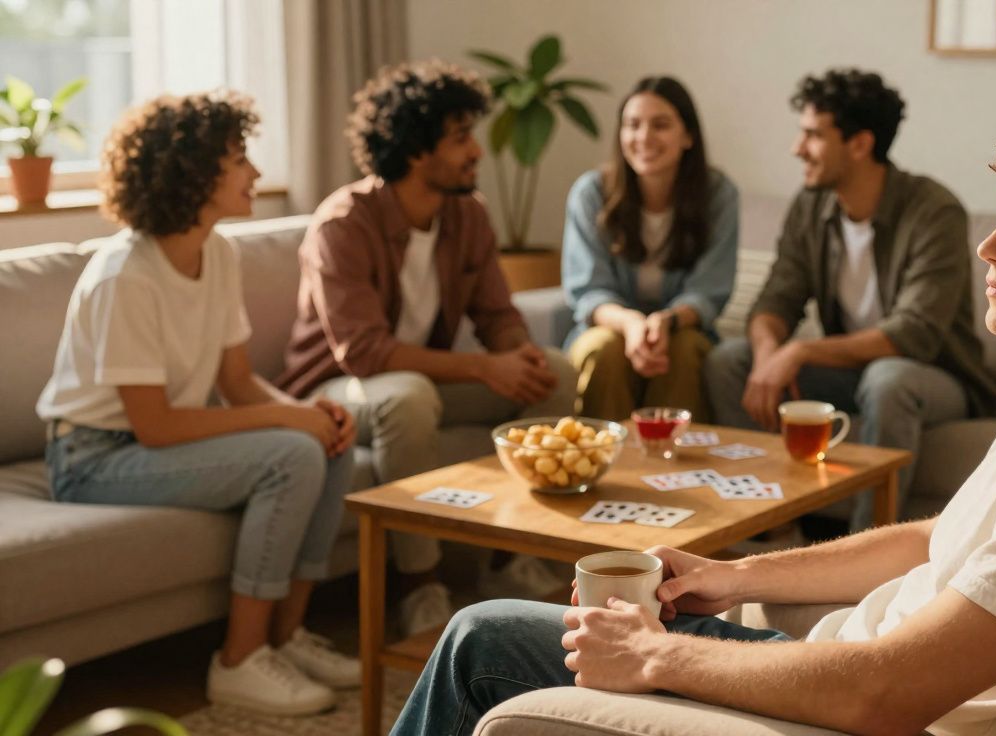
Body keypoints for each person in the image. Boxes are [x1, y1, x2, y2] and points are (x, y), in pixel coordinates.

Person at [389, 96, 996, 735]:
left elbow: (887, 694)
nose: (990, 246)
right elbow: (940, 541)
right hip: (830, 660)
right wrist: (733, 575)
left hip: (839, 703)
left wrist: (653, 656)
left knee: (480, 638)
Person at [37, 91, 360, 716]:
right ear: (190, 172)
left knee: (327, 443)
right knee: (292, 454)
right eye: (239, 159)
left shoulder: (218, 252)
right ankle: (238, 660)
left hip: (145, 443)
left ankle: (286, 636)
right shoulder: (126, 274)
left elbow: (237, 381)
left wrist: (310, 415)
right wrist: (287, 418)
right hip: (91, 457)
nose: (256, 173)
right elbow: (155, 426)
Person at [277, 59, 577, 637]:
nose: (476, 152)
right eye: (461, 138)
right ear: (417, 151)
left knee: (556, 374)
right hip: (335, 392)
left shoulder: (468, 214)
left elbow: (497, 314)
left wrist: (518, 353)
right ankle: (420, 583)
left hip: (422, 379)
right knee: (408, 398)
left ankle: (508, 557)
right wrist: (484, 367)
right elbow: (364, 352)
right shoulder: (343, 224)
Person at [706, 69, 996, 529]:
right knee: (730, 361)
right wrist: (766, 358)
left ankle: (865, 545)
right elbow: (776, 299)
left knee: (888, 380)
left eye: (812, 135)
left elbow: (912, 334)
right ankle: (762, 528)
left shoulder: (933, 210)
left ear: (860, 144)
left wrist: (799, 351)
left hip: (935, 374)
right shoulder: (811, 205)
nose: (797, 148)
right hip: (848, 372)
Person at [562, 76, 739, 422]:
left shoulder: (718, 194)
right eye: (632, 125)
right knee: (603, 348)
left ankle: (674, 456)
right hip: (610, 326)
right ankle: (606, 454)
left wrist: (665, 323)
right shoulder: (590, 193)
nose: (643, 137)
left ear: (688, 136)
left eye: (660, 125)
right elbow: (589, 291)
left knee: (683, 349)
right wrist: (631, 324)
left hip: (684, 328)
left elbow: (709, 290)